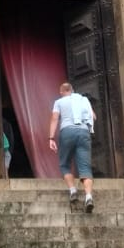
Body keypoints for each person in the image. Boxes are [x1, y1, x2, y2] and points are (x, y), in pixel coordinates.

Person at [49, 82, 96, 211]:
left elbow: (54, 118)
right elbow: (93, 117)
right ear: (72, 90)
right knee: (85, 168)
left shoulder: (59, 102)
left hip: (67, 132)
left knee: (64, 164)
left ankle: (73, 190)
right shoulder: (83, 100)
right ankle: (88, 197)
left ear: (62, 91)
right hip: (84, 132)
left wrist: (51, 137)